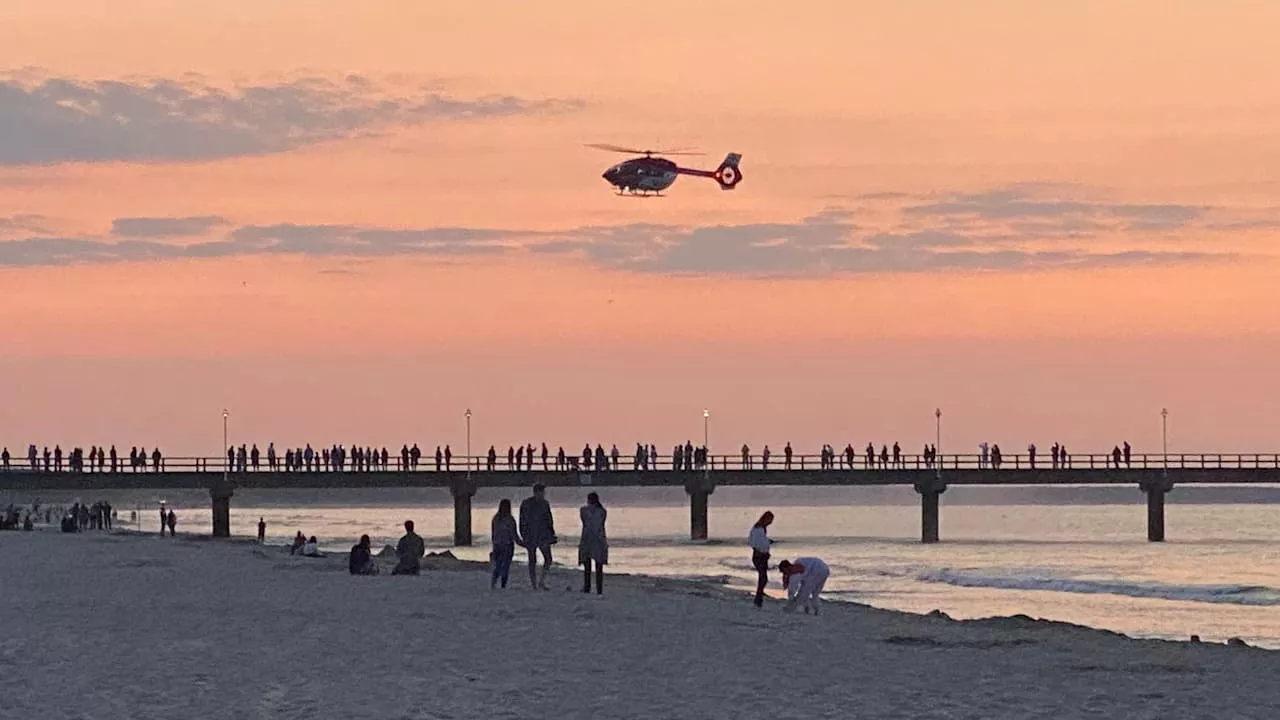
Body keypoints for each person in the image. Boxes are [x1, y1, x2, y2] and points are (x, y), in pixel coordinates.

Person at [519, 483, 557, 590]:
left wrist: (552, 534)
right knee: (532, 560)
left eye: (543, 492)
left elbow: (549, 520)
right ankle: (534, 584)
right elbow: (522, 521)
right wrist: (523, 534)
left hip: (543, 535)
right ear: (536, 492)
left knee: (548, 558)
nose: (543, 494)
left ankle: (541, 581)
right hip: (531, 535)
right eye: (541, 492)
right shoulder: (527, 504)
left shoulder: (545, 504)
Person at [578, 492, 608, 595]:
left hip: (587, 538)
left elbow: (584, 521)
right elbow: (601, 523)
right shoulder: (602, 511)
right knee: (598, 567)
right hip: (599, 539)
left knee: (587, 566)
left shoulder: (584, 510)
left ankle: (587, 587)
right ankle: (599, 590)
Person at [490, 499, 521, 589]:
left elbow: (493, 534)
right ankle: (503, 585)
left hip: (497, 545)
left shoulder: (495, 518)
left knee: (498, 565)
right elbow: (514, 535)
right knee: (506, 566)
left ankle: (493, 582)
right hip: (507, 545)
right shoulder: (510, 519)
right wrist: (524, 544)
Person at [747, 511, 775, 608]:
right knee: (763, 577)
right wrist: (767, 543)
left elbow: (753, 541)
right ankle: (758, 597)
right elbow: (757, 542)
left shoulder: (759, 528)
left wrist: (767, 542)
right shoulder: (759, 529)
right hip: (759, 556)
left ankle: (759, 595)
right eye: (770, 520)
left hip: (761, 555)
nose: (771, 522)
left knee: (762, 577)